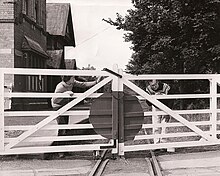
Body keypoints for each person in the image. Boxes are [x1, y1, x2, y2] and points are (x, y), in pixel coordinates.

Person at [48, 75, 101, 158]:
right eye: (72, 78)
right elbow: (55, 99)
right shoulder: (60, 87)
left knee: (65, 128)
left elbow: (83, 84)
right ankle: (59, 151)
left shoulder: (72, 83)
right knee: (62, 129)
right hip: (58, 107)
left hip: (65, 106)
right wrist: (65, 94)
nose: (74, 79)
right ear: (68, 80)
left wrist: (95, 82)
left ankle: (64, 150)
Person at [146, 79, 174, 152]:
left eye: (155, 85)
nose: (154, 87)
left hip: (166, 106)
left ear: (158, 82)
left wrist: (168, 112)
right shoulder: (148, 89)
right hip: (156, 107)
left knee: (165, 125)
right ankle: (156, 144)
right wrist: (152, 97)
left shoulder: (166, 87)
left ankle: (163, 144)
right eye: (152, 86)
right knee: (156, 125)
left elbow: (171, 100)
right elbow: (148, 103)